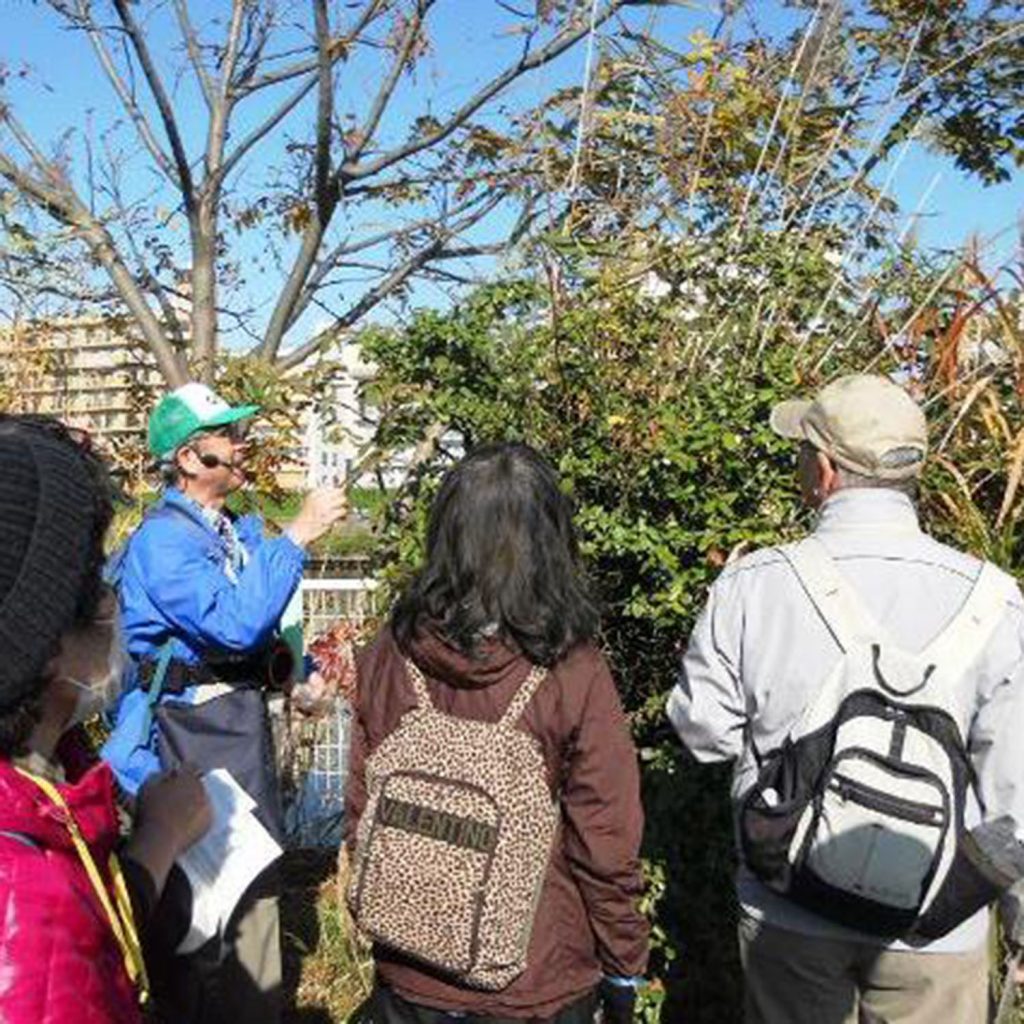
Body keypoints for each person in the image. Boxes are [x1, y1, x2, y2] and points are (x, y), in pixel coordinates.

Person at [666, 374, 1024, 1024]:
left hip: (789, 904)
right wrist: (1018, 920)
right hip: (937, 921)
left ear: (825, 470)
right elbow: (1015, 793)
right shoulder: (996, 600)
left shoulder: (754, 585)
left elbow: (703, 734)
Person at [344, 442, 649, 1024]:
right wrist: (623, 959)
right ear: (550, 541)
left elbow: (363, 803)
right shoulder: (569, 668)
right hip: (534, 977)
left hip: (407, 966)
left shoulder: (392, 648)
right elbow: (604, 838)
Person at [109, 382, 347, 1024]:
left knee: (255, 883)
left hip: (230, 730)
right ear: (190, 458)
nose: (243, 445)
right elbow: (233, 625)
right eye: (229, 435)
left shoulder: (225, 531)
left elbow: (255, 638)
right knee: (207, 904)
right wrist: (297, 534)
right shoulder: (163, 542)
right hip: (192, 736)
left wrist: (297, 676)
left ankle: (257, 1006)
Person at [0, 414, 211, 1024]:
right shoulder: (25, 905)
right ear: (38, 640)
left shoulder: (51, 777)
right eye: (92, 579)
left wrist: (155, 837)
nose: (113, 600)